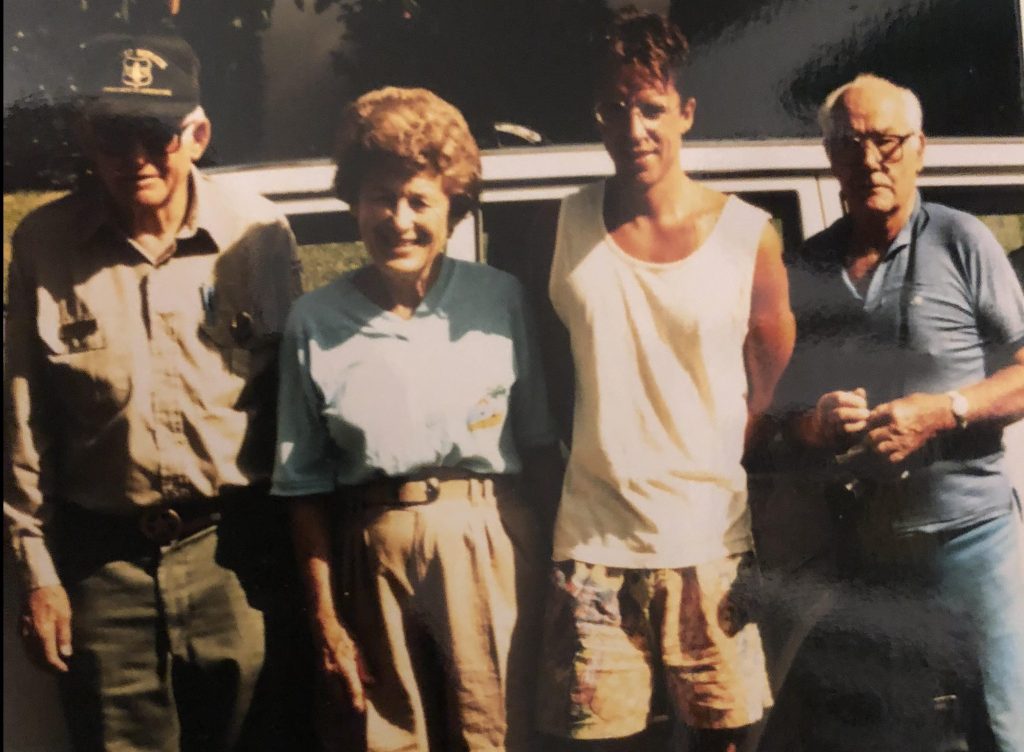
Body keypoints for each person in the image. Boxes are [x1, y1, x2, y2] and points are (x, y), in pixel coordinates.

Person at [3, 32, 303, 751]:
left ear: (196, 134)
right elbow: (23, 427)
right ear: (85, 134)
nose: (133, 155)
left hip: (237, 562)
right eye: (112, 133)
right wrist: (38, 576)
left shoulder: (259, 233)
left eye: (155, 132)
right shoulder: (45, 246)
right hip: (104, 575)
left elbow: (300, 412)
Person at [272, 86, 561, 752]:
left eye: (419, 200)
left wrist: (554, 574)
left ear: (453, 207)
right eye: (380, 197)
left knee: (496, 737)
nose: (398, 219)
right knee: (385, 739)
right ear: (354, 202)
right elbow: (303, 485)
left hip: (488, 539)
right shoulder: (313, 321)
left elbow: (540, 445)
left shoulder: (498, 299)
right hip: (371, 550)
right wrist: (326, 617)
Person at [535, 10, 795, 752]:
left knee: (728, 742)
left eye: (651, 107)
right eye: (615, 107)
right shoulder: (562, 226)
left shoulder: (749, 235)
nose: (634, 127)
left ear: (686, 113)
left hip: (710, 545)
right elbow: (556, 375)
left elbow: (767, 386)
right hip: (593, 547)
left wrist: (703, 464)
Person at [777, 73, 1024, 752]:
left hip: (974, 541)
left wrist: (947, 409)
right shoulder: (808, 267)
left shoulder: (962, 241)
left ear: (920, 148)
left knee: (1006, 726)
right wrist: (816, 422)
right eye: (850, 142)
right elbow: (781, 414)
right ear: (829, 156)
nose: (869, 159)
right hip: (868, 554)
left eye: (886, 141)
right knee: (895, 736)